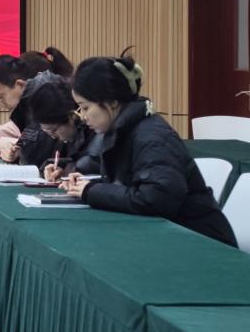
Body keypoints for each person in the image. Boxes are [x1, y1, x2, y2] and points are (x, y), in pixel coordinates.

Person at [61, 52, 237, 247]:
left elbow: (156, 199)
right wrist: (88, 184)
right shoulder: (122, 131)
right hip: (172, 239)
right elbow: (131, 186)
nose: (83, 116)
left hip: (203, 244)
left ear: (112, 102)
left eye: (85, 107)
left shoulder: (152, 138)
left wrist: (93, 191)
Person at [0, 47, 73, 165]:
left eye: (0, 96)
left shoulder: (46, 96)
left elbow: (35, 155)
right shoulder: (28, 100)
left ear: (19, 84)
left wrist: (5, 144)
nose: (0, 103)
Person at [15, 71, 101, 182]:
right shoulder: (71, 134)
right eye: (47, 131)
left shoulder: (95, 130)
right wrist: (61, 169)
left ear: (72, 116)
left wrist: (67, 171)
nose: (53, 136)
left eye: (54, 130)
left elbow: (92, 166)